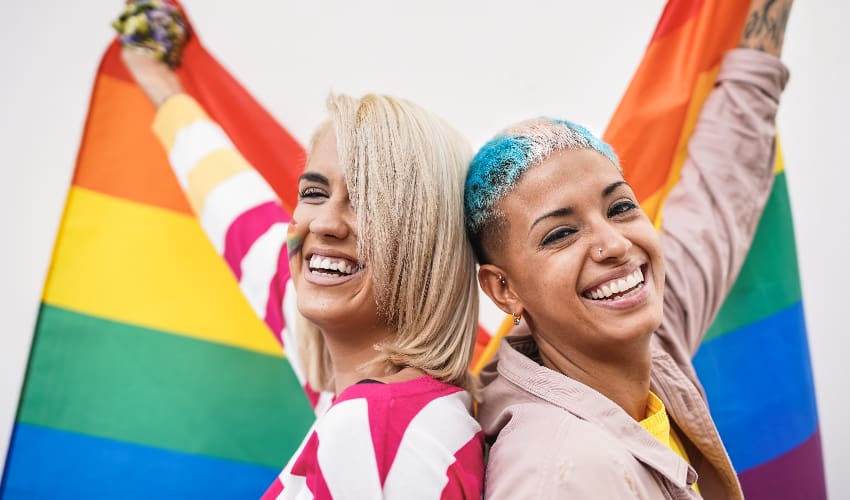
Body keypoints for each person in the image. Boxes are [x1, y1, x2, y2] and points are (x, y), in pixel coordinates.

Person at [114, 2, 484, 498]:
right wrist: (165, 88)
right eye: (312, 192)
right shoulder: (361, 394)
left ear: (429, 242)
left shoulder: (376, 429)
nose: (323, 223)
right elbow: (240, 215)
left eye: (369, 201)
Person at [465, 0, 792, 498]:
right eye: (560, 234)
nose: (614, 244)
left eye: (619, 207)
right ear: (503, 288)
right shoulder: (563, 475)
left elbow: (719, 194)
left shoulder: (649, 342)